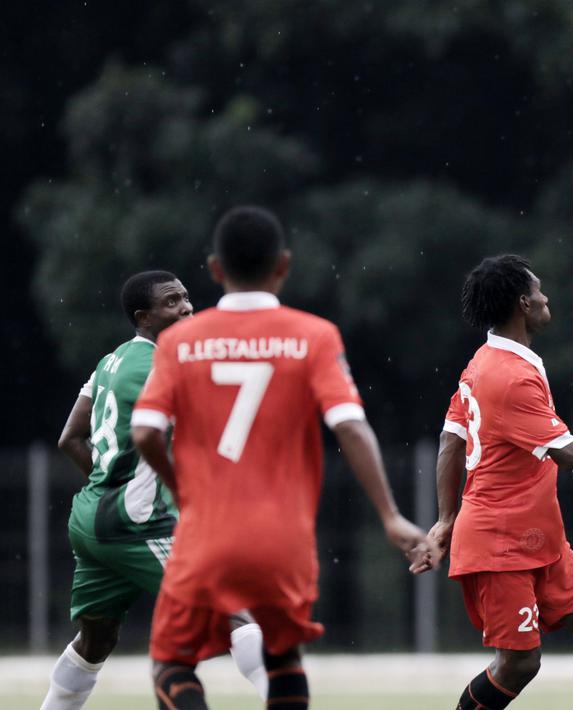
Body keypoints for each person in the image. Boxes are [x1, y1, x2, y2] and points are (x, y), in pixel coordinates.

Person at [130, 206, 434, 710]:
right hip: (282, 539)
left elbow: (144, 433)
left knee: (173, 662)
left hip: (206, 534)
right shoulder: (313, 335)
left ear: (215, 269)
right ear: (284, 266)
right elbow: (350, 426)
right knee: (283, 657)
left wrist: (184, 487)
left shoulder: (180, 341)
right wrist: (389, 515)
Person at [412, 254, 573, 710]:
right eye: (538, 290)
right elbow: (568, 454)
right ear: (522, 304)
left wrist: (445, 519)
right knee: (519, 663)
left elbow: (450, 440)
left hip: (537, 537)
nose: (545, 296)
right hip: (501, 543)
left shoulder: (485, 361)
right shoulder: (508, 377)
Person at [41, 271, 268, 709]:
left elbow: (69, 438)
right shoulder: (165, 367)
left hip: (90, 522)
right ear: (144, 317)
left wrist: (109, 484)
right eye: (171, 303)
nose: (185, 307)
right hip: (135, 523)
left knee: (96, 639)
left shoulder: (111, 361)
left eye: (185, 298)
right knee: (235, 611)